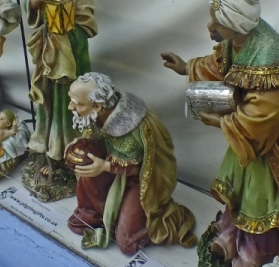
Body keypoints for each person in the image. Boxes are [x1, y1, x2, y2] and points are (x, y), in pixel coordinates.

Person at [161, 0, 279, 267]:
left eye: (216, 24)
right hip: (246, 140)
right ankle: (231, 241)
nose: (210, 28)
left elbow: (264, 116)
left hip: (269, 148)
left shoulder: (269, 54)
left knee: (262, 206)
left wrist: (220, 121)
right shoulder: (238, 41)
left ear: (235, 25)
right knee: (240, 195)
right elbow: (221, 64)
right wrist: (187, 67)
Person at [66, 72, 196, 255]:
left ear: (97, 106)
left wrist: (105, 166)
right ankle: (93, 214)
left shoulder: (132, 126)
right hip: (110, 166)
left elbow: (145, 165)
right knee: (87, 168)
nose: (70, 107)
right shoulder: (96, 113)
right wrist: (81, 145)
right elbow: (97, 136)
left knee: (127, 243)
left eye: (77, 103)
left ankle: (149, 221)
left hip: (139, 179)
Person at [18, 0, 97, 199]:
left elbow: (87, 19)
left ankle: (68, 156)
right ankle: (49, 151)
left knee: (68, 107)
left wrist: (63, 12)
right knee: (46, 104)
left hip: (69, 58)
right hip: (47, 56)